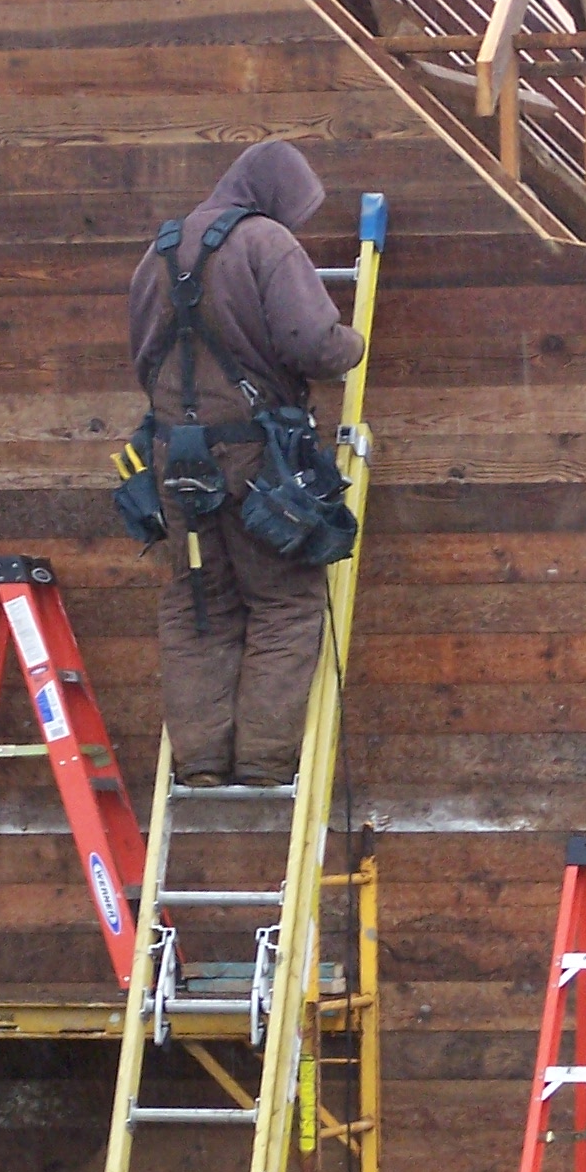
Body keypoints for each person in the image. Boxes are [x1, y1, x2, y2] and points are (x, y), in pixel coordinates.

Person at [128, 142, 365, 787]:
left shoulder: (159, 249)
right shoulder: (267, 242)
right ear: (277, 193)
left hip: (174, 463)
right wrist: (353, 343)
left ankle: (201, 762)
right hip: (260, 464)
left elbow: (142, 360)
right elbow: (315, 345)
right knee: (285, 604)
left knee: (198, 606)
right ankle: (262, 762)